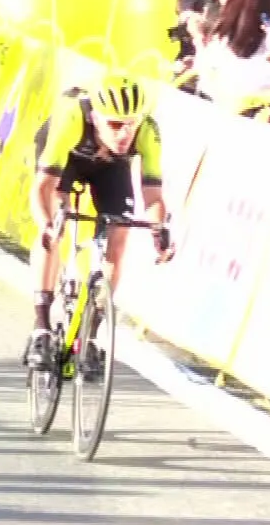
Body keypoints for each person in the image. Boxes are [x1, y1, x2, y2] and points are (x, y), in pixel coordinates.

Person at [25, 74, 172, 374]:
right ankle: (40, 328)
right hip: (66, 161)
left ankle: (89, 336)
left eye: (131, 124)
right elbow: (42, 188)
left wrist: (160, 230)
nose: (124, 134)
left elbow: (153, 193)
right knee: (54, 227)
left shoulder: (147, 130)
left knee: (119, 241)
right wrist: (45, 223)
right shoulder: (72, 116)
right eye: (115, 125)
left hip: (110, 169)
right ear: (95, 117)